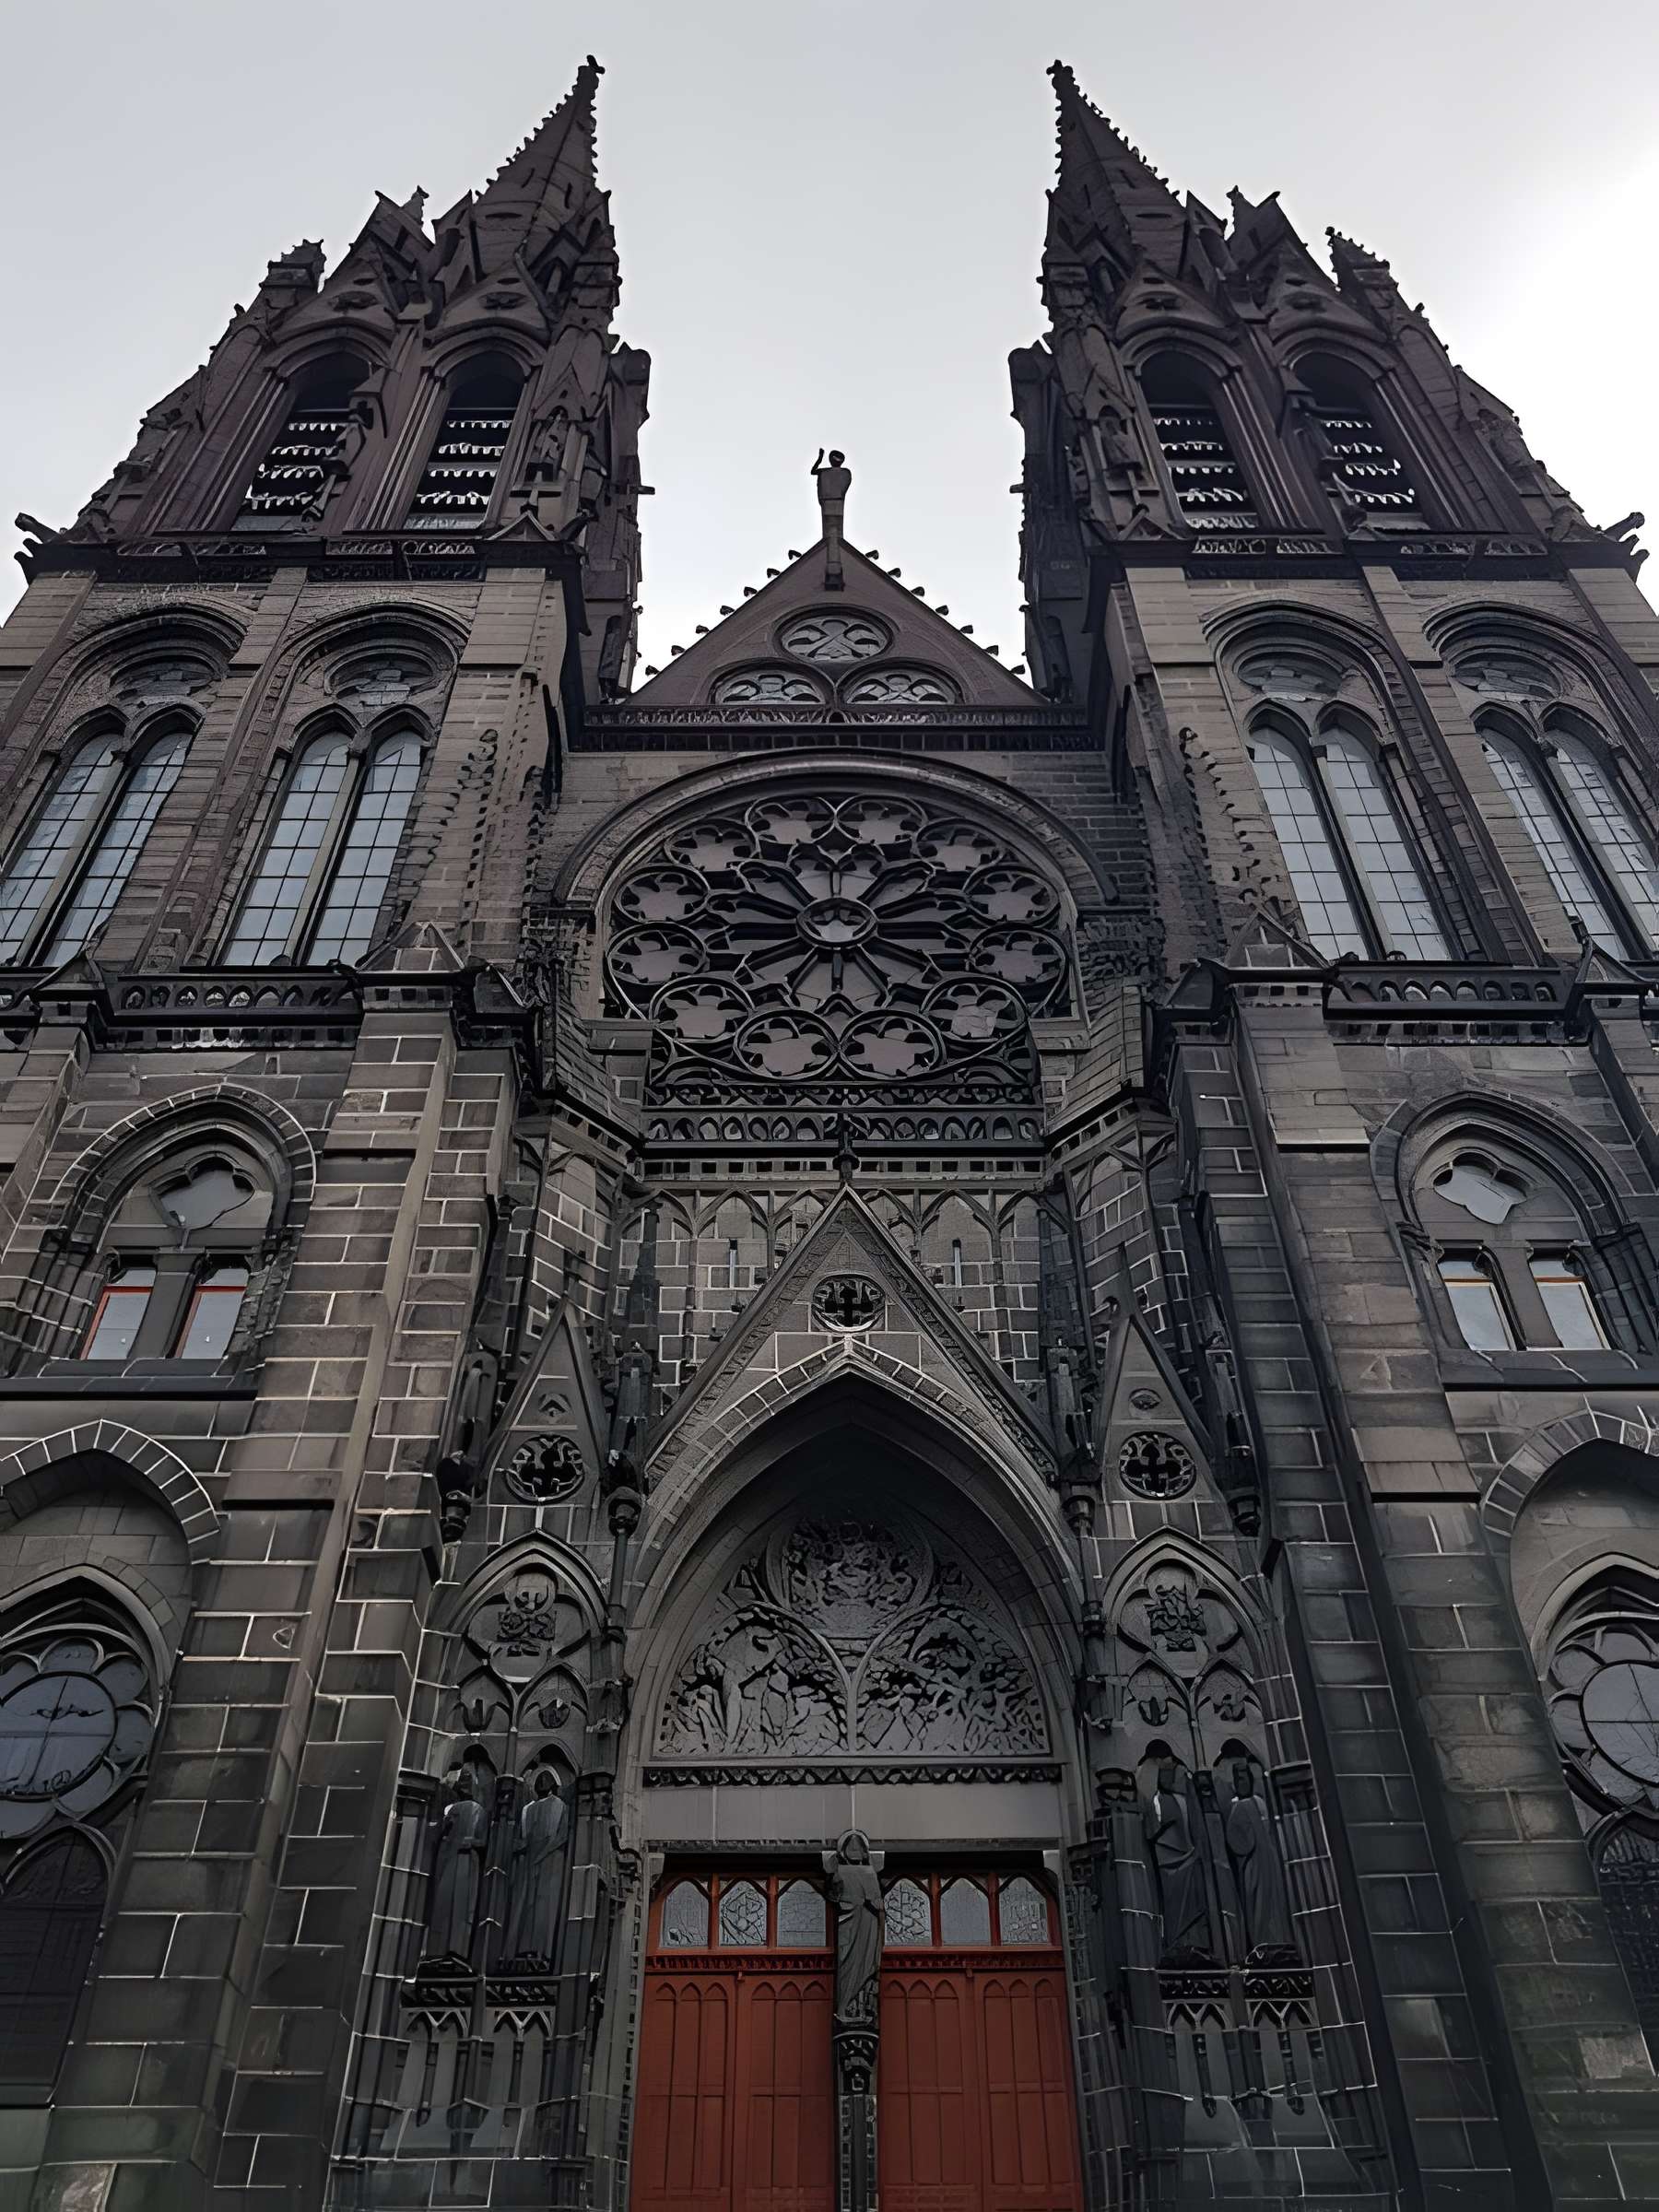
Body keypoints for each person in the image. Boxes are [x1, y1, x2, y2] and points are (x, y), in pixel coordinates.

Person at [827, 1829, 884, 2024]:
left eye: (857, 1847)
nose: (854, 1850)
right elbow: (837, 1896)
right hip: (849, 1926)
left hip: (866, 1925)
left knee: (865, 1965)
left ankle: (858, 2007)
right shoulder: (843, 1873)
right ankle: (845, 2008)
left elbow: (875, 1902)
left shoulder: (868, 1873)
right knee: (849, 1965)